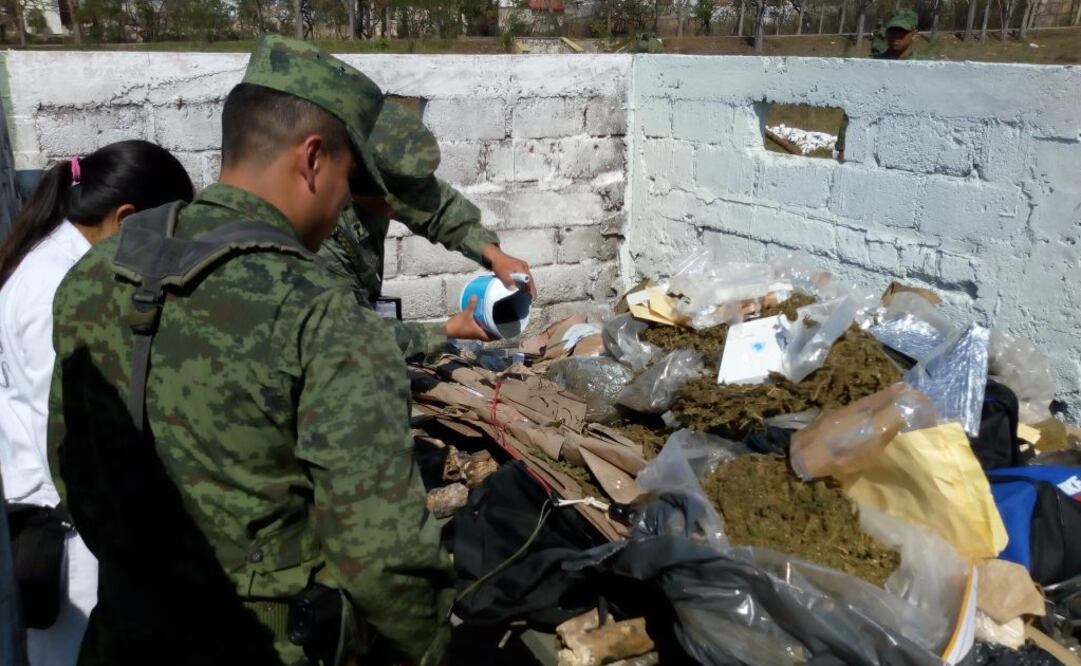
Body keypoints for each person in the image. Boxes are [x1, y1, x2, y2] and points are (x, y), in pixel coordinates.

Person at [47, 36, 454, 665]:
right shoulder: (321, 311)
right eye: (349, 180)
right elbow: (386, 559)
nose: (347, 202)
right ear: (312, 159)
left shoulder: (95, 273)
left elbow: (74, 469)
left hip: (125, 637)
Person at [0, 140, 194, 666]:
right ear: (126, 219)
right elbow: (65, 426)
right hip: (65, 536)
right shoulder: (57, 285)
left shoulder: (48, 262)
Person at [321, 99, 535, 359]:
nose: (408, 208)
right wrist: (445, 331)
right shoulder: (318, 233)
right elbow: (346, 339)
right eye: (397, 200)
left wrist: (493, 254)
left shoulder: (374, 176)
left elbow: (439, 208)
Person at [836, 9, 922, 161]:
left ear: (914, 34)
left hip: (909, 144)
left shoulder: (924, 67)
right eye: (892, 31)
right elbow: (854, 105)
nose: (895, 36)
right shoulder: (872, 65)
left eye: (901, 32)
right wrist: (843, 145)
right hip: (872, 141)